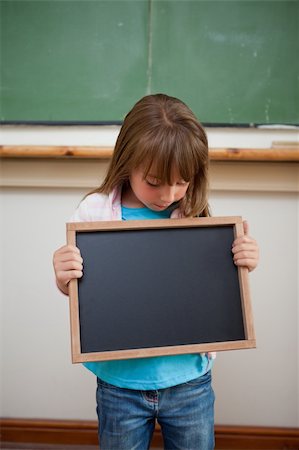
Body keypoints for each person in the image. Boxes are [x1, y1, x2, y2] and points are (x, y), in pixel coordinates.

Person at [53, 93, 259, 450]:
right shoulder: (94, 213)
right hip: (120, 385)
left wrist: (243, 260)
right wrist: (62, 275)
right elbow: (81, 292)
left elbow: (213, 287)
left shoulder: (196, 214)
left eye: (182, 182)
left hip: (190, 382)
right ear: (127, 162)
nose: (168, 194)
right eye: (154, 181)